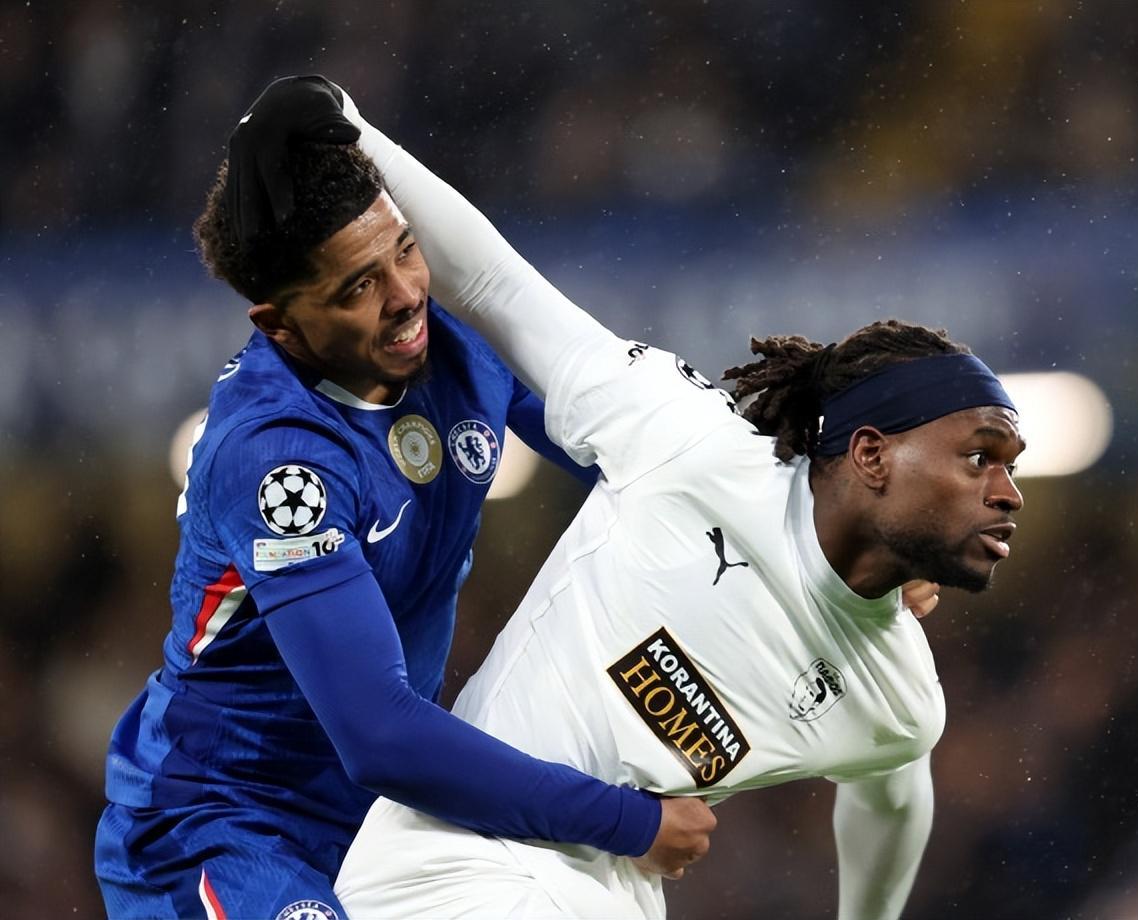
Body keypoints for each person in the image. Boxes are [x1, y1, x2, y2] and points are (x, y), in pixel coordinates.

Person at [326, 80, 1026, 920]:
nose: (1009, 493)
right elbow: (496, 288)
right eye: (979, 457)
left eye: (1011, 467)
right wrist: (346, 126)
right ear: (872, 454)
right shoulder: (692, 439)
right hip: (448, 874)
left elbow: (893, 800)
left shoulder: (899, 700)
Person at [93, 77, 714, 920]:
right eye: (357, 287)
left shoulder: (455, 350)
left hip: (382, 823)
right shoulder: (278, 460)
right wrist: (625, 822)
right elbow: (379, 733)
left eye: (406, 251)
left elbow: (636, 461)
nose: (406, 295)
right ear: (278, 324)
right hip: (228, 826)